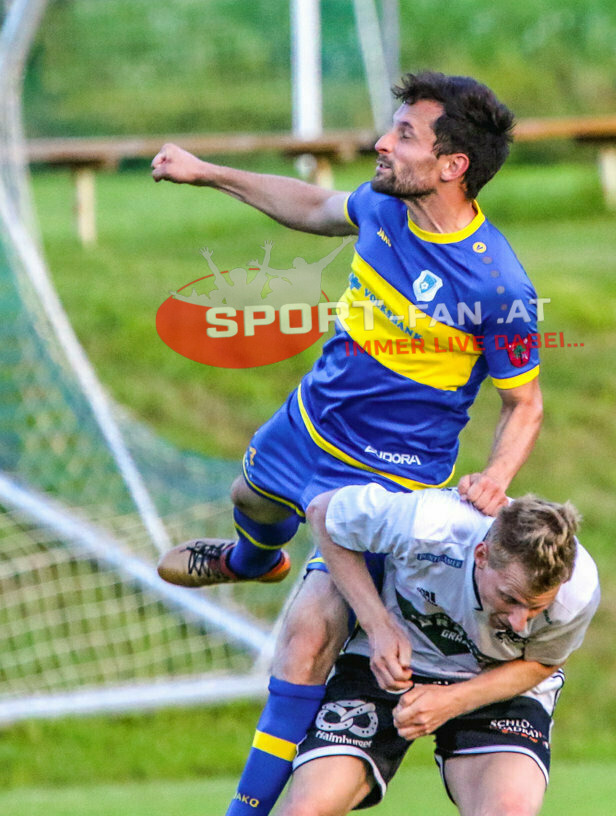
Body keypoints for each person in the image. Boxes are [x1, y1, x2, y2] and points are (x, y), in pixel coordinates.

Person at [150, 71, 544, 815]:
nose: (380, 143)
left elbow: (523, 404)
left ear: (452, 165)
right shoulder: (385, 209)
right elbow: (312, 205)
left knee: (307, 635)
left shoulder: (499, 287)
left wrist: (495, 475)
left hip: (386, 478)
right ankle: (249, 560)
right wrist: (207, 174)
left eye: (403, 134)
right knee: (250, 498)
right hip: (309, 424)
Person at [272, 485, 600, 816]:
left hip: (498, 682)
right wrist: (378, 625)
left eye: (536, 609)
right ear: (482, 555)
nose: (520, 623)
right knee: (304, 810)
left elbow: (542, 661)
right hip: (391, 666)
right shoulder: (429, 524)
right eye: (510, 599)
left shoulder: (577, 590)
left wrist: (454, 700)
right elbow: (323, 512)